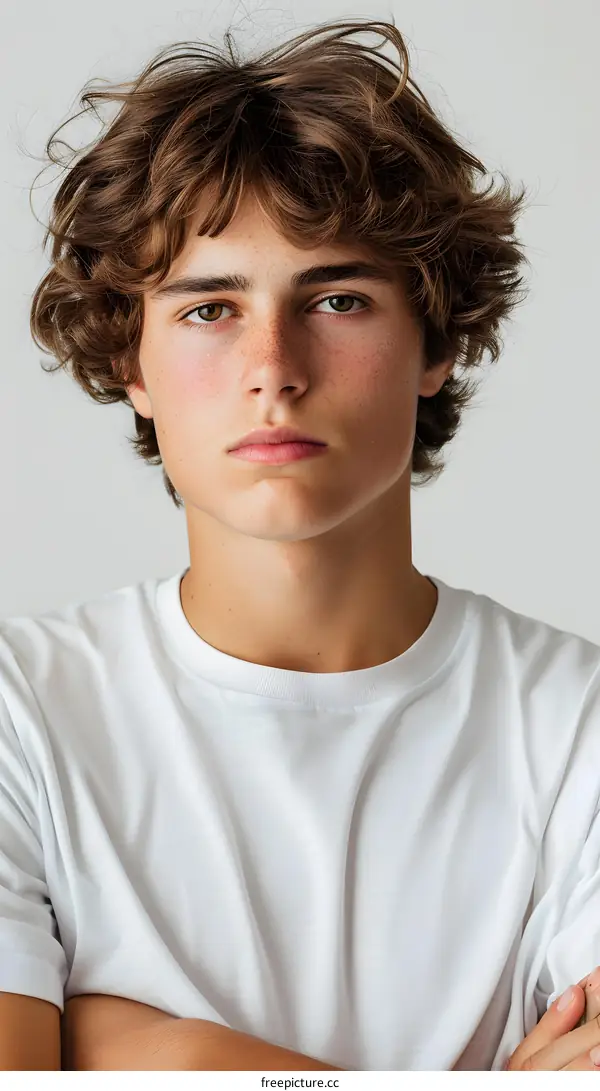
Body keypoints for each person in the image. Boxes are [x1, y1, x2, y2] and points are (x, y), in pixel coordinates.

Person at [0, 16, 598, 1071]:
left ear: (435, 343)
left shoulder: (577, 727)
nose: (272, 366)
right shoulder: (22, 713)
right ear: (129, 361)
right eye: (207, 309)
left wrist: (155, 1050)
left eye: (337, 298)